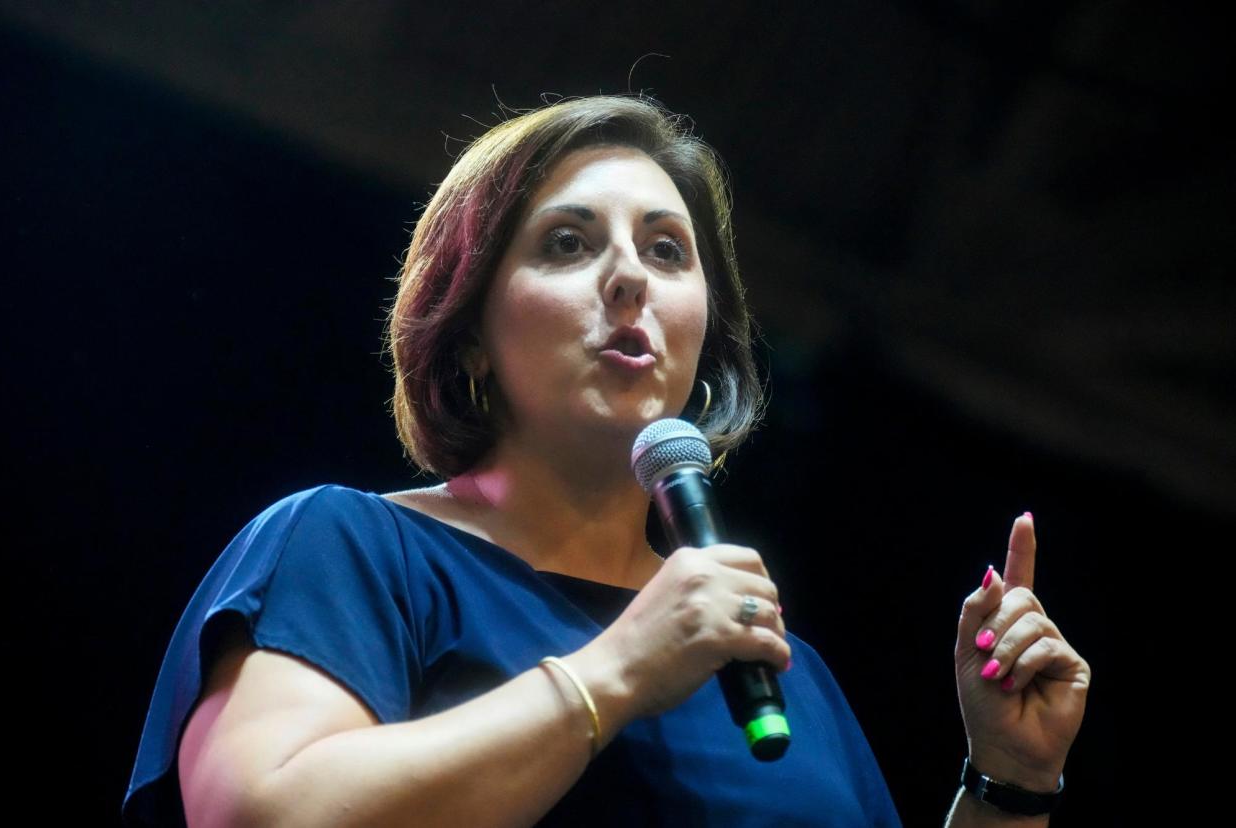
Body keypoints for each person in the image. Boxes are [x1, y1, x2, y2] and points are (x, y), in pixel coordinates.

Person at [122, 95, 1090, 827]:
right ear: (467, 336)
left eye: (668, 251)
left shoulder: (781, 673)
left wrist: (1006, 782)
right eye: (569, 241)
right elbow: (259, 813)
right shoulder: (349, 547)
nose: (629, 275)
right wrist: (618, 671)